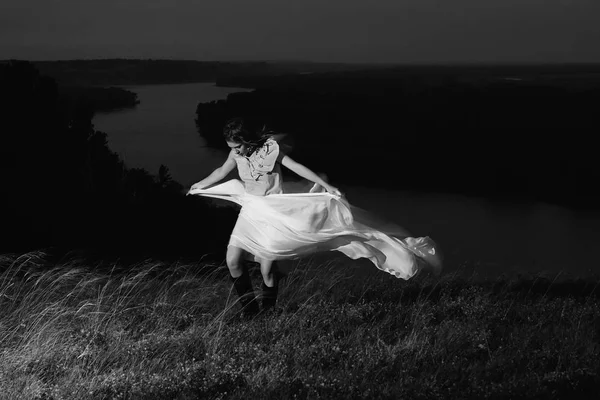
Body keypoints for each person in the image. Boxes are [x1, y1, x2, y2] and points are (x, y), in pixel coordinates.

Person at [189, 118, 441, 317]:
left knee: (267, 270)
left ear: (247, 140)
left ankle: (266, 314)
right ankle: (249, 311)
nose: (235, 152)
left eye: (238, 146)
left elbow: (297, 167)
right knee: (232, 260)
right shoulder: (236, 154)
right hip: (251, 210)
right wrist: (198, 185)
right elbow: (221, 171)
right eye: (232, 148)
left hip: (275, 211)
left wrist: (325, 185)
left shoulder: (269, 149)